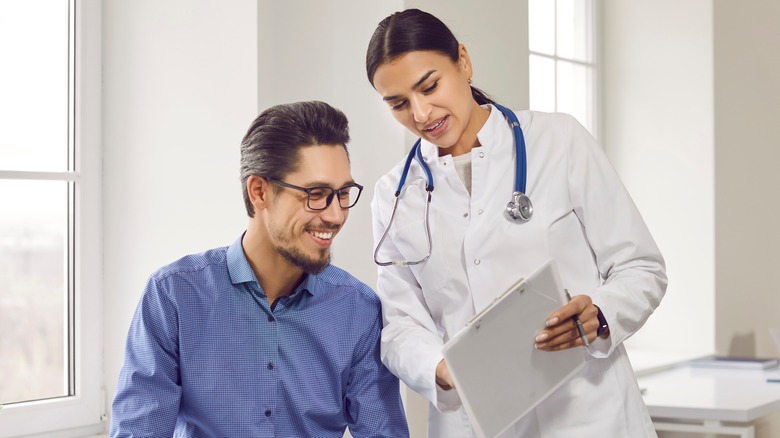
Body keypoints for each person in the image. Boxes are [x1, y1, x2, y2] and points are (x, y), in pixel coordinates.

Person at [365, 9, 667, 438]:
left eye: (429, 86)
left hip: (589, 413)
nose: (420, 112)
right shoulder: (393, 194)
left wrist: (600, 314)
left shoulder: (559, 141)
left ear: (463, 62)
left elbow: (642, 267)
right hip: (474, 419)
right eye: (397, 103)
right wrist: (441, 368)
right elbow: (400, 325)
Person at [110, 101, 409, 437]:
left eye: (342, 194)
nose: (336, 215)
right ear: (259, 191)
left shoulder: (358, 310)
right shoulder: (174, 296)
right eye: (316, 194)